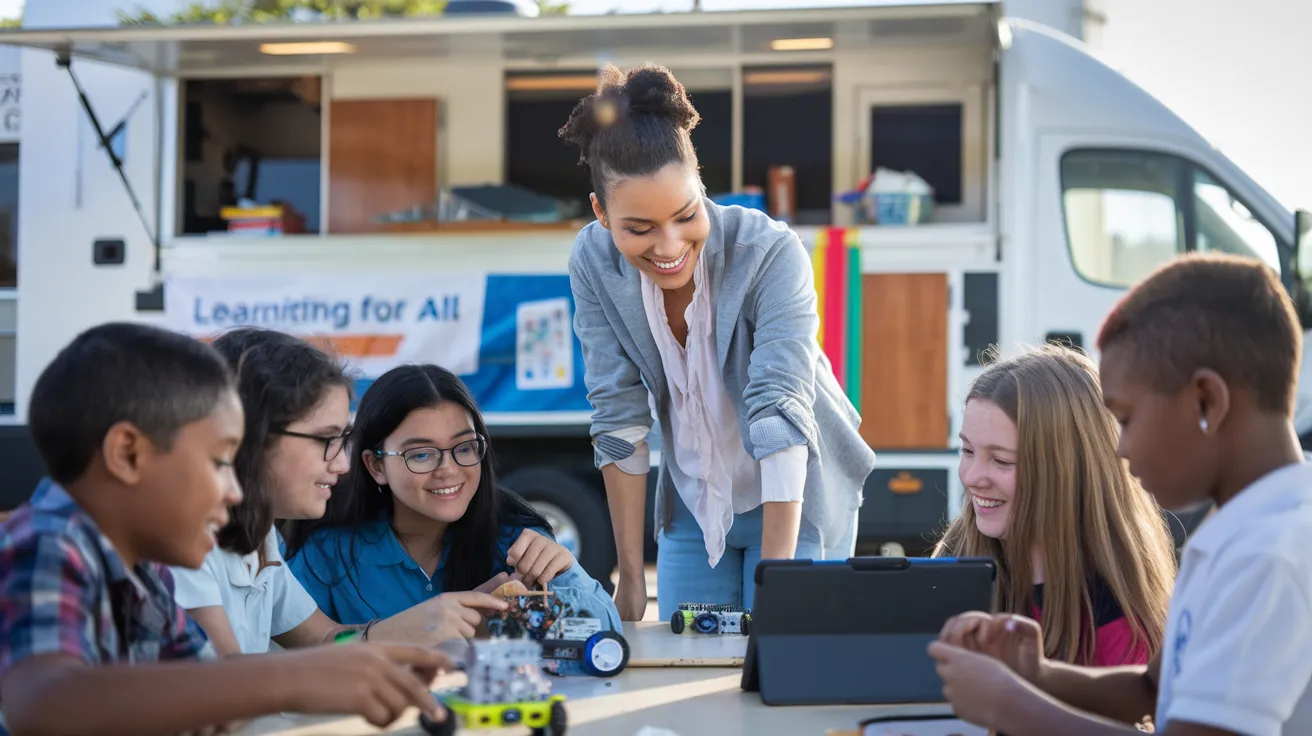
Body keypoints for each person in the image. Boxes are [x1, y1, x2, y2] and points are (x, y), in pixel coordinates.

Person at [0, 323, 451, 736]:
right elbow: (42, 702)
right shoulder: (49, 543)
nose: (236, 491)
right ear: (129, 453)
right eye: (219, 462)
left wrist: (360, 668)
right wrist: (289, 678)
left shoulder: (147, 578)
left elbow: (211, 700)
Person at [929, 253, 1312, 735]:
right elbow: (1153, 691)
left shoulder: (1269, 555)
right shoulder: (1239, 527)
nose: (1121, 449)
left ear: (1206, 402)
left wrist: (1009, 705)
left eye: (1127, 419)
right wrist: (1037, 674)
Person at [559, 62, 876, 621]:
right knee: (686, 667)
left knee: (779, 669)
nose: (669, 245)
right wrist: (629, 578)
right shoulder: (593, 261)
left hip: (796, 499)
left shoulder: (769, 253)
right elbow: (617, 415)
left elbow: (781, 409)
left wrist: (777, 584)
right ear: (601, 214)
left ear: (700, 182)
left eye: (686, 215)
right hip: (693, 501)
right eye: (639, 229)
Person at [169, 328, 508, 656]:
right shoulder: (184, 543)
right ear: (251, 435)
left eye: (343, 440)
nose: (343, 466)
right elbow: (228, 685)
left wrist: (445, 619)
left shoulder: (261, 537)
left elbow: (326, 641)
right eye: (327, 440)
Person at [283, 363, 619, 632]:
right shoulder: (329, 552)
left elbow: (604, 634)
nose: (449, 469)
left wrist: (567, 572)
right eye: (421, 454)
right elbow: (306, 654)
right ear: (376, 465)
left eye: (464, 447)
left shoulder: (515, 541)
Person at [932, 344, 1176, 667]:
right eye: (967, 451)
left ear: (1065, 470)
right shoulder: (958, 554)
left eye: (1002, 461)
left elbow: (1124, 714)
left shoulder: (1118, 605)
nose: (972, 477)